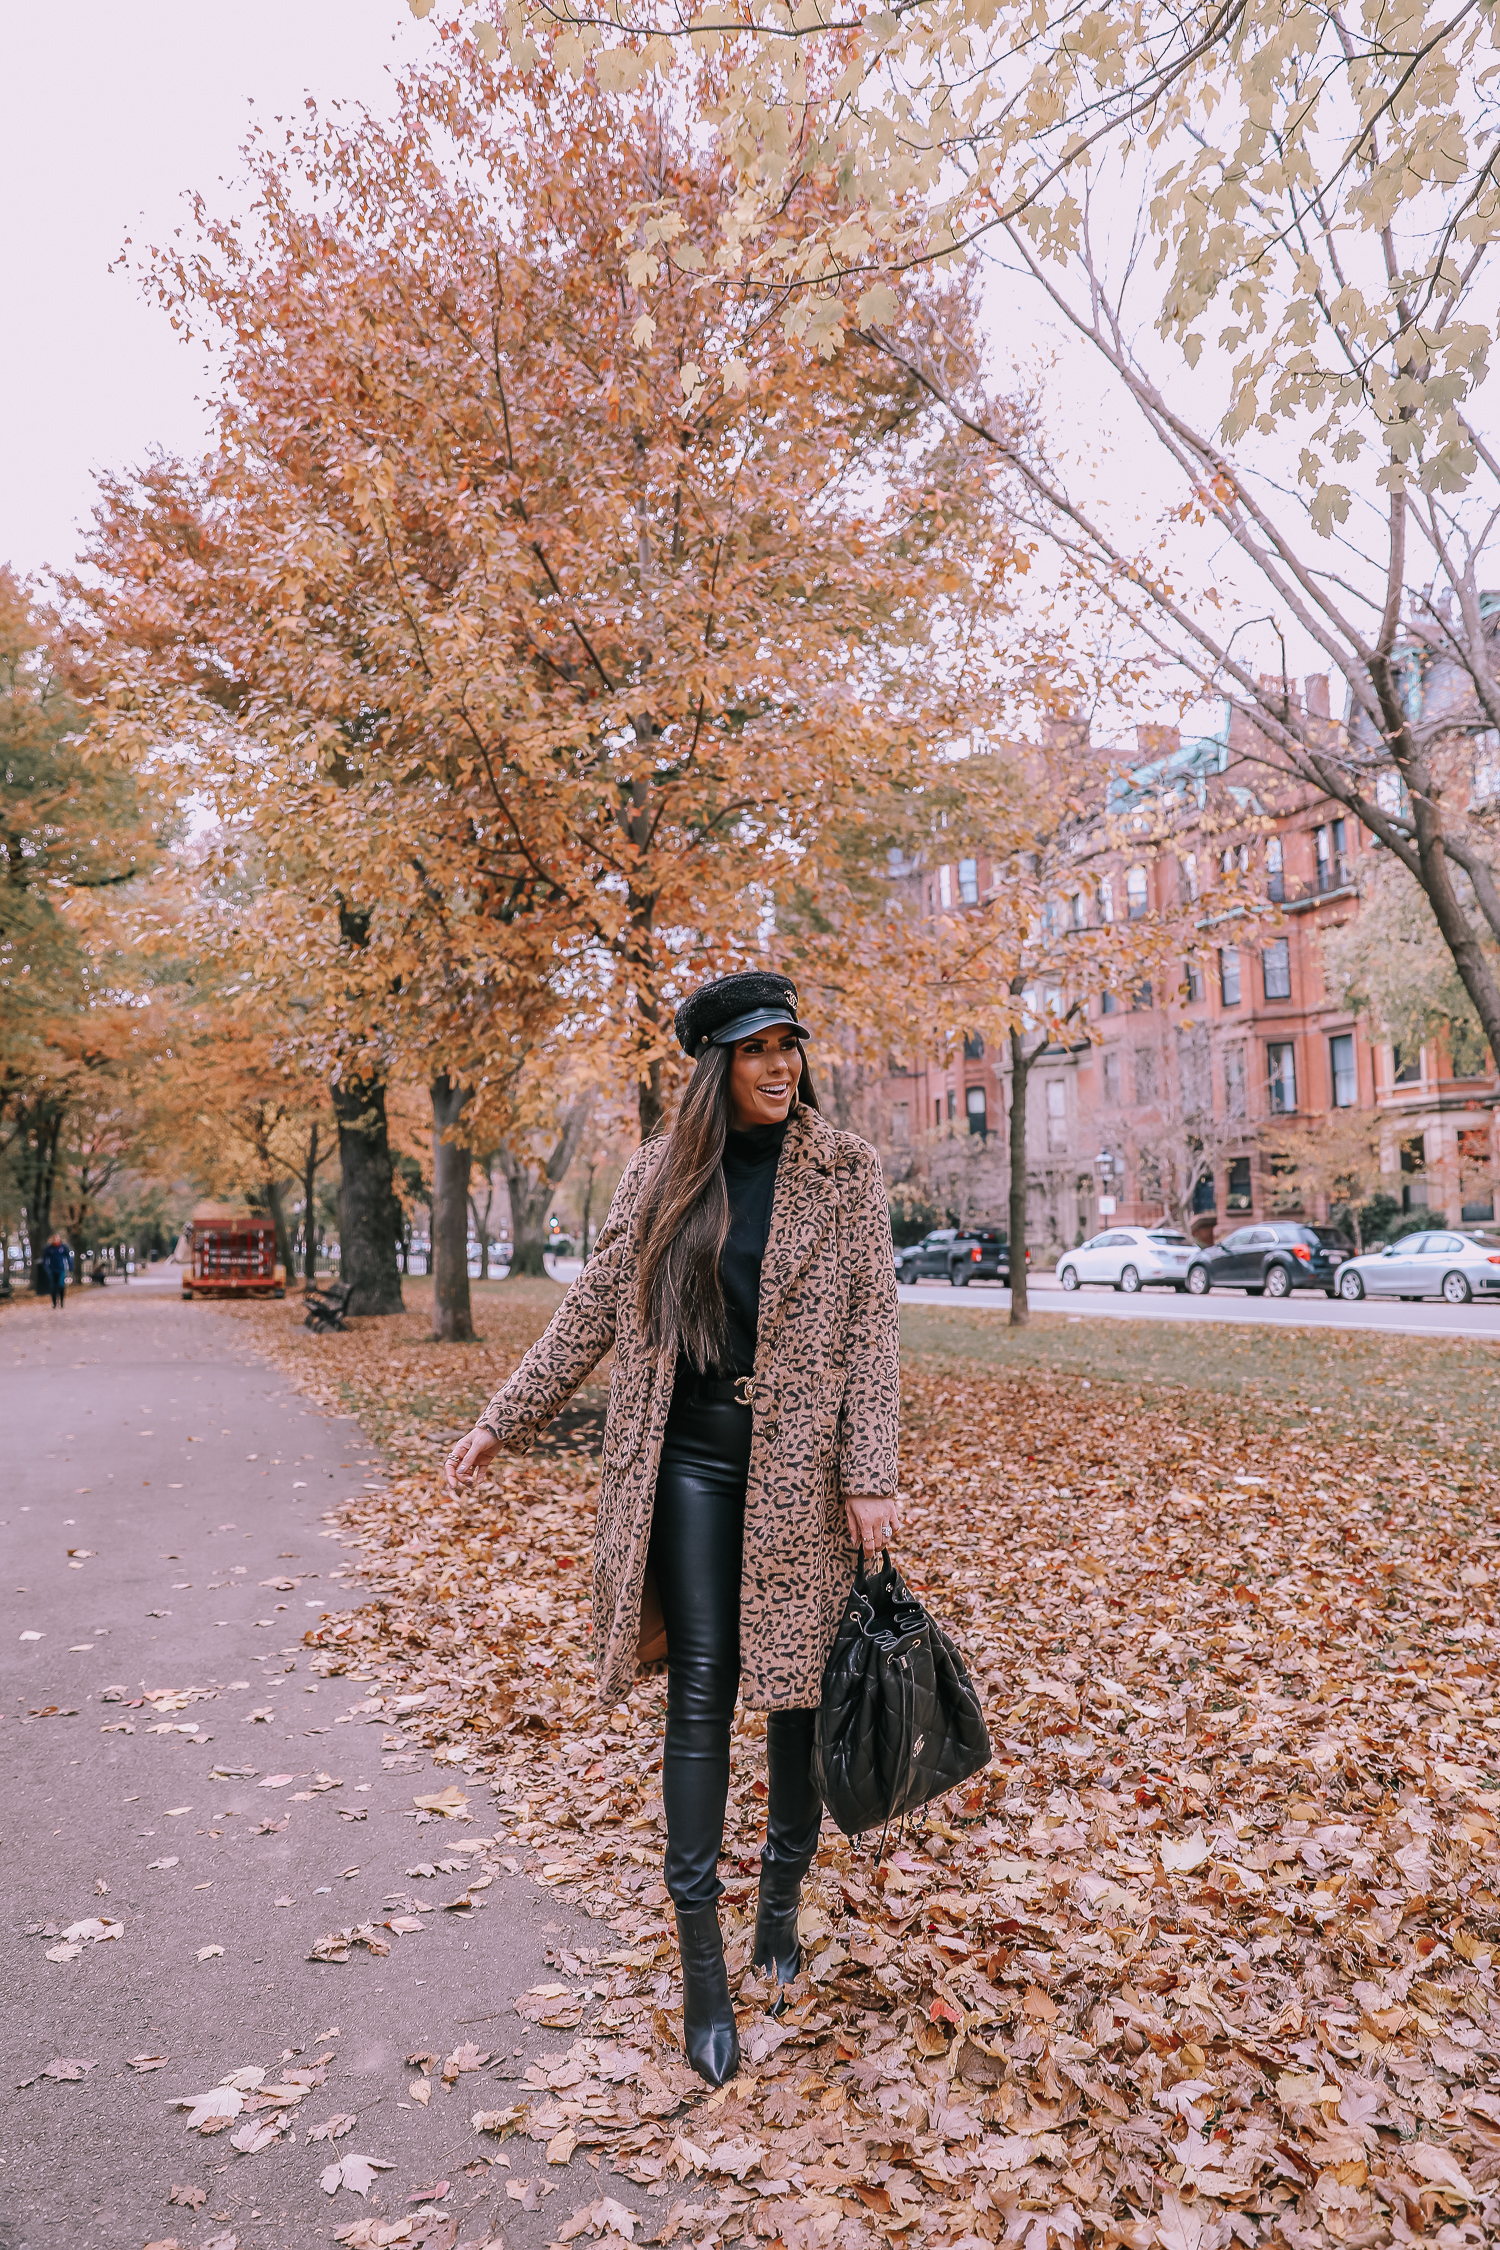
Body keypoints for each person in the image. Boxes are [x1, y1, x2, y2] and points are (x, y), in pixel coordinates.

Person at [446, 970, 902, 2085]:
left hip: (803, 1477)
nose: (780, 1065)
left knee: (795, 1693)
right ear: (716, 1066)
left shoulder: (846, 1175)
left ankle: (779, 1907)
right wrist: (503, 1420)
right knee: (703, 1686)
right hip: (689, 1464)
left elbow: (874, 1328)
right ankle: (703, 1959)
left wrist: (872, 1472)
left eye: (790, 1044)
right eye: (755, 1049)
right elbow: (596, 1305)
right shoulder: (662, 1173)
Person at [42, 1234, 72, 1311]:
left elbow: (67, 1257)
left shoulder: (63, 1247)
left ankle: (61, 1302)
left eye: (57, 1238)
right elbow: (45, 1259)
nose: (55, 1240)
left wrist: (70, 1266)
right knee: (53, 1287)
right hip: (52, 1269)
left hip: (61, 1269)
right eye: (54, 1239)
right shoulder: (48, 1248)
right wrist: (46, 1268)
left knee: (61, 1285)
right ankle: (54, 1303)